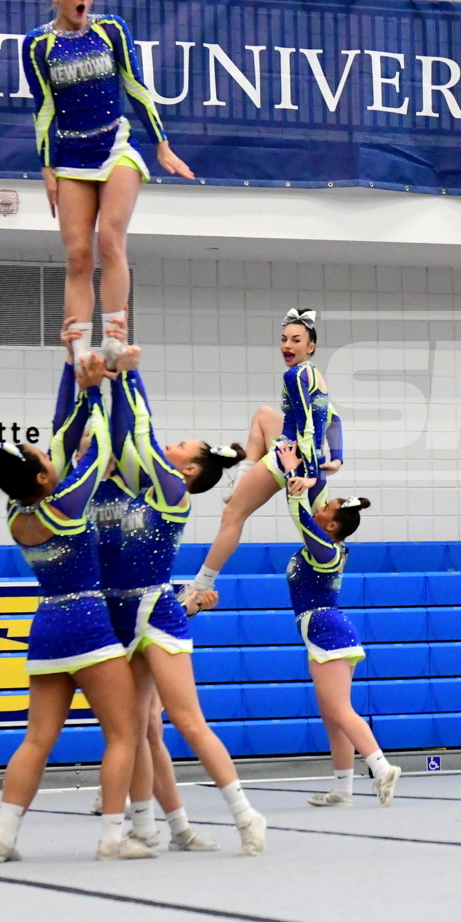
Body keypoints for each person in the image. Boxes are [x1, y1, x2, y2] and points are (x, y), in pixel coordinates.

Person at [0, 353, 151, 861]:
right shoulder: (68, 503)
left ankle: (2, 839)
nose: (53, 456)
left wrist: (71, 369)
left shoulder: (16, 512)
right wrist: (94, 390)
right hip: (88, 626)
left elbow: (61, 436)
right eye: (45, 459)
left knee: (36, 740)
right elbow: (97, 450)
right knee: (123, 733)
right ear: (42, 478)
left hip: (47, 627)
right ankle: (112, 838)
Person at [105, 354, 268, 854]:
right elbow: (127, 436)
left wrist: (127, 373)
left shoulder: (172, 490)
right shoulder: (137, 485)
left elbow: (141, 431)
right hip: (120, 613)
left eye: (179, 447)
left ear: (189, 468)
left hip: (156, 613)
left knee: (188, 721)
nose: (169, 446)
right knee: (137, 729)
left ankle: (246, 816)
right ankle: (148, 827)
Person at [22, 0, 193, 371]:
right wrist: (47, 168)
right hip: (71, 155)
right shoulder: (37, 45)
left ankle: (115, 339)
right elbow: (44, 108)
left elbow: (136, 86)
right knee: (78, 255)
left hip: (116, 146)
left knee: (111, 240)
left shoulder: (110, 30)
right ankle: (79, 352)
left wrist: (161, 144)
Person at [184, 307, 343, 608]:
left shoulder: (294, 375)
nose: (287, 346)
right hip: (304, 454)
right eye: (284, 339)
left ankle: (201, 585)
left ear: (311, 346)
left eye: (296, 340)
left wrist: (306, 474)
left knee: (233, 515)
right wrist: (336, 459)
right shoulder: (316, 374)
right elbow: (334, 421)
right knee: (263, 415)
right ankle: (243, 476)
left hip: (291, 457)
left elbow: (308, 430)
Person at [274, 445, 400, 808]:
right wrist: (311, 467)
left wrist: (290, 474)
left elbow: (301, 516)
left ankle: (382, 768)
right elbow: (313, 497)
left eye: (324, 509)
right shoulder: (329, 542)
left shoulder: (325, 550)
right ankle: (343, 790)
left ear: (330, 526)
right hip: (326, 631)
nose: (318, 507)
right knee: (332, 715)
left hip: (326, 629)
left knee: (341, 711)